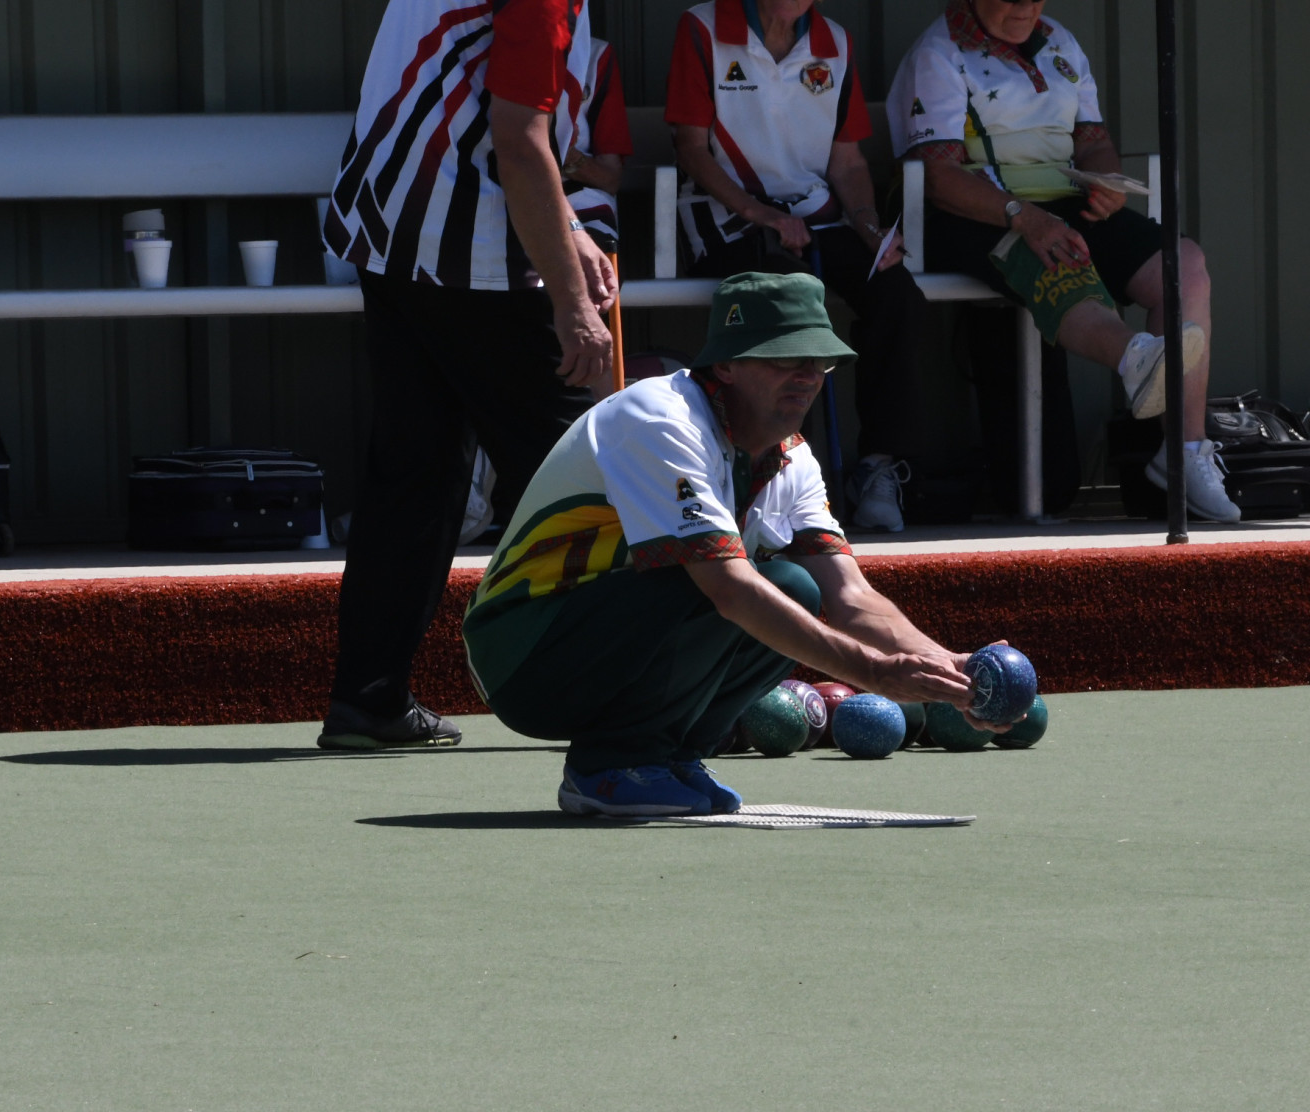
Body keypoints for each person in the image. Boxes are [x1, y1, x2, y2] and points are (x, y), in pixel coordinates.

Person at [462, 273, 1011, 818]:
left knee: (794, 586)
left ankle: (672, 756)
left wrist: (946, 666)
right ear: (724, 366)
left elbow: (851, 597)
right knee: (706, 575)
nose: (806, 376)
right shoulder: (659, 420)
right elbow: (727, 590)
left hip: (593, 643)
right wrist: (874, 672)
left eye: (819, 362)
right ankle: (609, 767)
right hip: (523, 652)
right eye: (783, 358)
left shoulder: (793, 456)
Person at [316, 0, 618, 749]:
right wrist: (574, 306)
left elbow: (479, 110)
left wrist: (570, 227)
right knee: (588, 475)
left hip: (389, 238)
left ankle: (369, 697)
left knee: (415, 473)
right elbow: (517, 144)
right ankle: (627, 698)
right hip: (469, 252)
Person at [888, 0, 1239, 520]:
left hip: (1065, 203)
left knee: (1182, 263)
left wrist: (1106, 186)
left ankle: (1184, 455)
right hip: (979, 211)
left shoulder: (1060, 43)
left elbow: (1093, 142)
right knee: (1059, 258)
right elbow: (938, 178)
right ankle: (1134, 358)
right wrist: (1023, 216)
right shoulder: (939, 53)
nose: (1026, 6)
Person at [665, 0, 930, 533]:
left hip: (813, 214)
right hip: (727, 216)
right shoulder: (703, 28)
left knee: (897, 293)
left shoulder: (834, 41)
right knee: (782, 303)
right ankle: (769, 475)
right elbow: (692, 149)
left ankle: (877, 467)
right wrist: (758, 211)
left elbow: (848, 162)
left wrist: (870, 229)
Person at [563, 38, 634, 402]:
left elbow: (610, 178)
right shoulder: (476, 39)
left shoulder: (594, 53)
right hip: (492, 187)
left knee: (593, 257)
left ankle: (602, 415)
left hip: (577, 189)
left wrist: (562, 157)